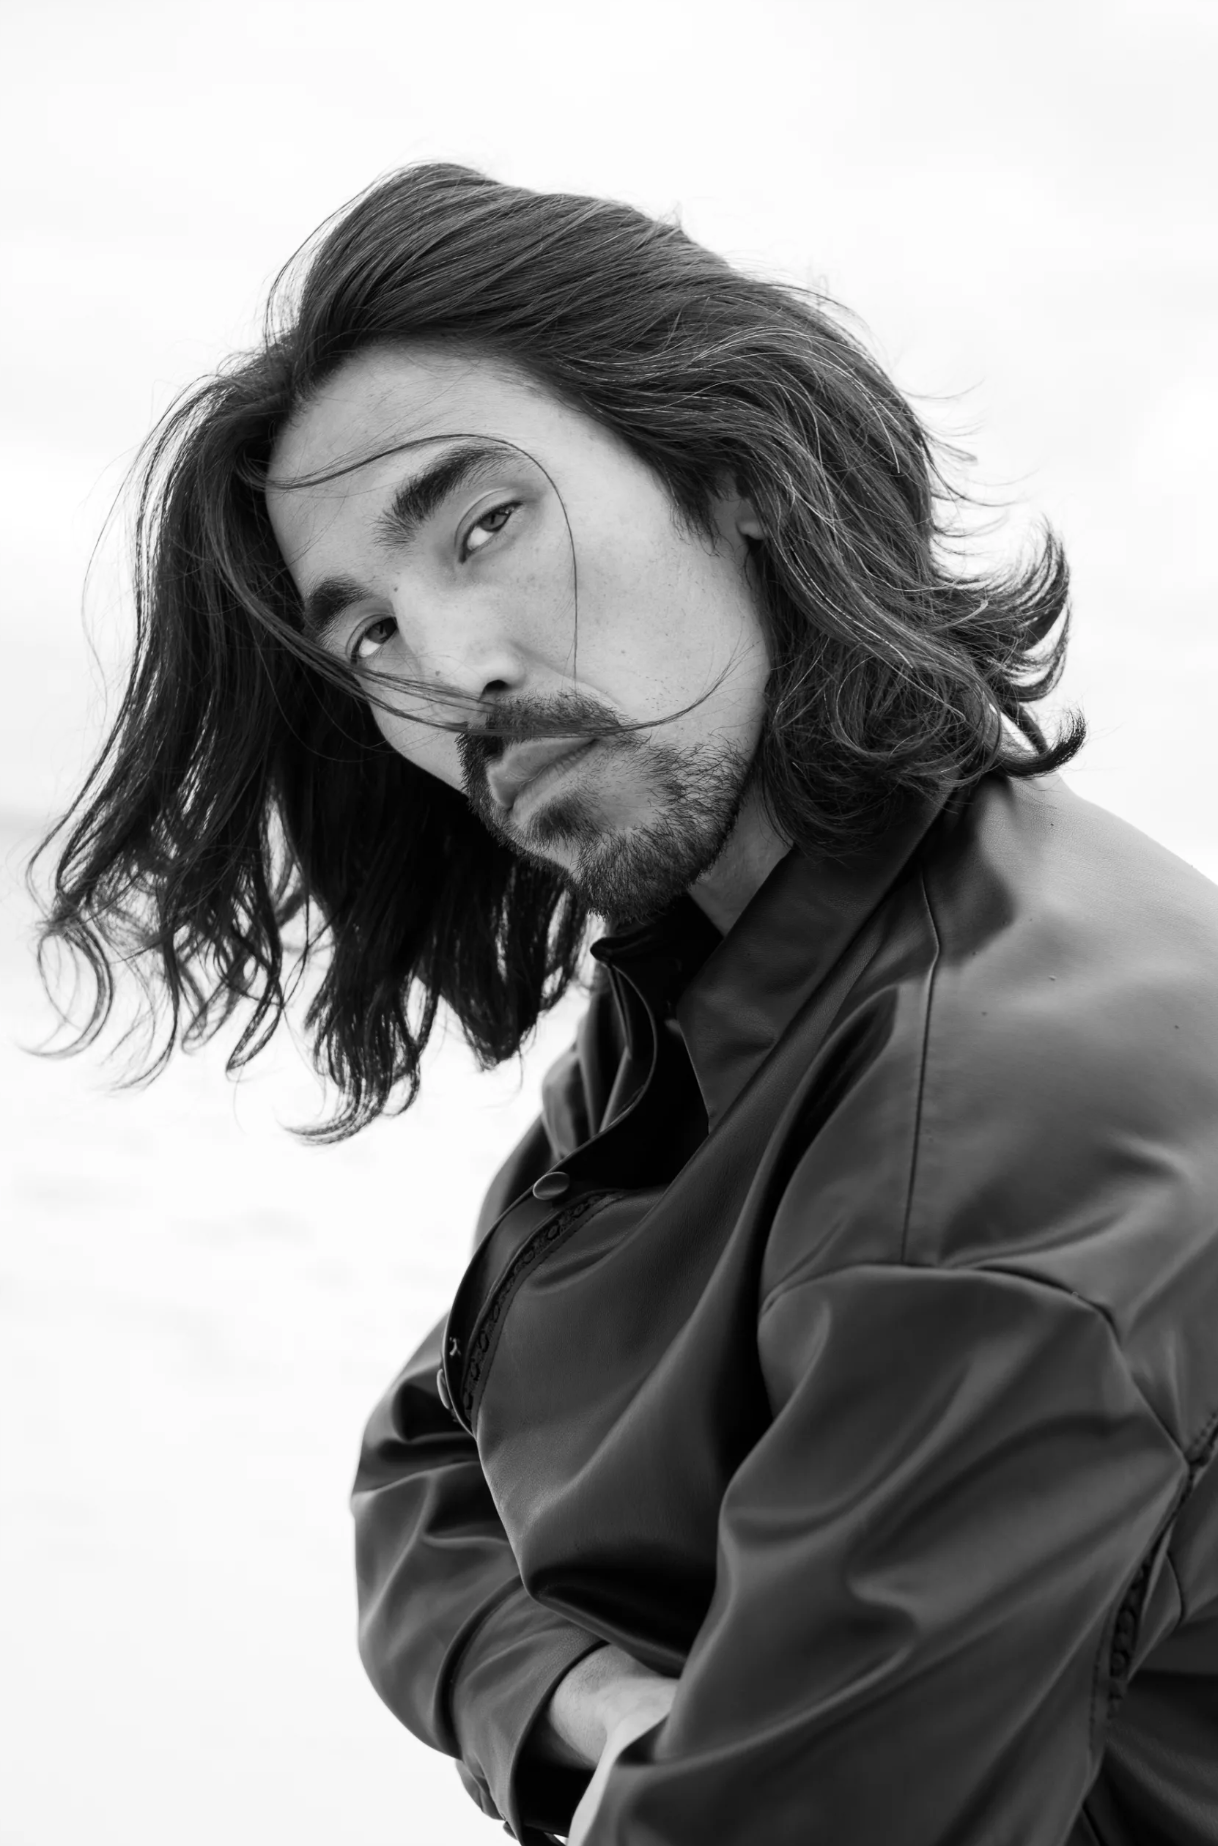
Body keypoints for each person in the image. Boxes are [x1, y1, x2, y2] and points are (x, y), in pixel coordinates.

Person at [34, 164, 1218, 1846]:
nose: (455, 671)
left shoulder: (991, 1132)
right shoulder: (723, 975)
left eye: (484, 525)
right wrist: (579, 1707)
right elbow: (423, 1468)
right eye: (367, 632)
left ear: (733, 474)